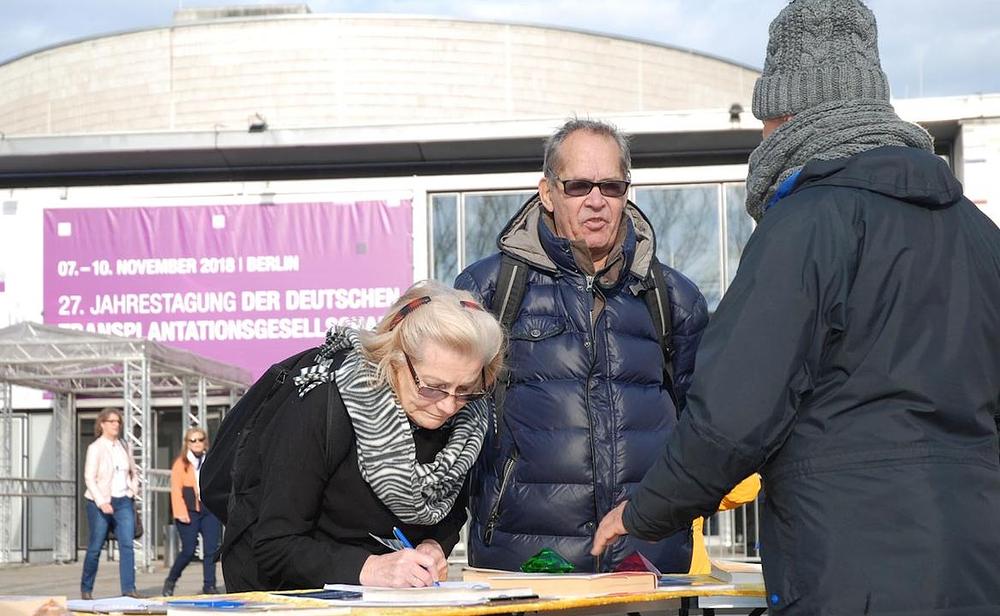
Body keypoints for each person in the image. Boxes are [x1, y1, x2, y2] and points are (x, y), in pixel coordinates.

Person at [592, 1, 1000, 613]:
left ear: (788, 115)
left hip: (852, 566)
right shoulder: (979, 234)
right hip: (979, 560)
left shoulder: (808, 223)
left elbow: (734, 413)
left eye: (764, 120)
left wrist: (646, 511)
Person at [455, 118, 709, 573]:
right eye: (578, 186)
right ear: (547, 192)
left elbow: (702, 429)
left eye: (611, 186)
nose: (596, 201)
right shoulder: (489, 290)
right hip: (524, 565)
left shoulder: (674, 298)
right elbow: (449, 424)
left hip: (646, 561)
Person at [222, 280, 505, 590]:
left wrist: (435, 545)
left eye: (466, 389)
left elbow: (450, 512)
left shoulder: (466, 422)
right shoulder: (324, 404)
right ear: (394, 359)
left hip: (389, 601)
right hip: (294, 598)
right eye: (433, 387)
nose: (449, 406)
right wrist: (369, 568)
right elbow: (274, 545)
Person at [80, 407, 140, 600]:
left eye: (118, 422)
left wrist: (133, 490)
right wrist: (101, 502)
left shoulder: (124, 445)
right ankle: (86, 589)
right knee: (96, 546)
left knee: (127, 545)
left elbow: (133, 471)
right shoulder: (95, 447)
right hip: (101, 501)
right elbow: (89, 478)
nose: (116, 425)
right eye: (112, 421)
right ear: (102, 424)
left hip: (123, 500)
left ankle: (129, 589)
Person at [162, 427, 221, 596]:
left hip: (208, 509)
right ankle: (171, 580)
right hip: (189, 510)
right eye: (193, 440)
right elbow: (175, 490)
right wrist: (180, 512)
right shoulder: (181, 463)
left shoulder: (210, 460)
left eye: (200, 439)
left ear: (205, 442)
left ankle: (209, 585)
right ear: (187, 443)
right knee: (189, 550)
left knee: (211, 549)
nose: (197, 443)